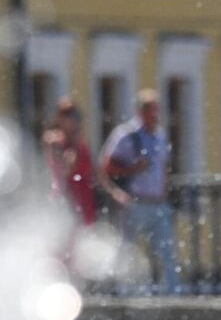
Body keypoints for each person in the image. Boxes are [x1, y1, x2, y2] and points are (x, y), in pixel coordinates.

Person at [100, 89, 180, 293]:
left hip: (157, 202)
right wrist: (130, 172)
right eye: (150, 110)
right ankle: (126, 293)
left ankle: (172, 294)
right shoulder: (127, 135)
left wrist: (166, 194)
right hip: (134, 202)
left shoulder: (160, 135)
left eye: (156, 110)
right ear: (141, 112)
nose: (154, 115)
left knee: (167, 252)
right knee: (129, 250)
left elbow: (163, 168)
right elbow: (106, 167)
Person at [42, 96, 98, 226]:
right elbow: (67, 169)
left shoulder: (80, 143)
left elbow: (93, 171)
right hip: (64, 200)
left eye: (76, 115)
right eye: (68, 114)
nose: (74, 119)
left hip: (83, 200)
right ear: (59, 118)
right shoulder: (54, 141)